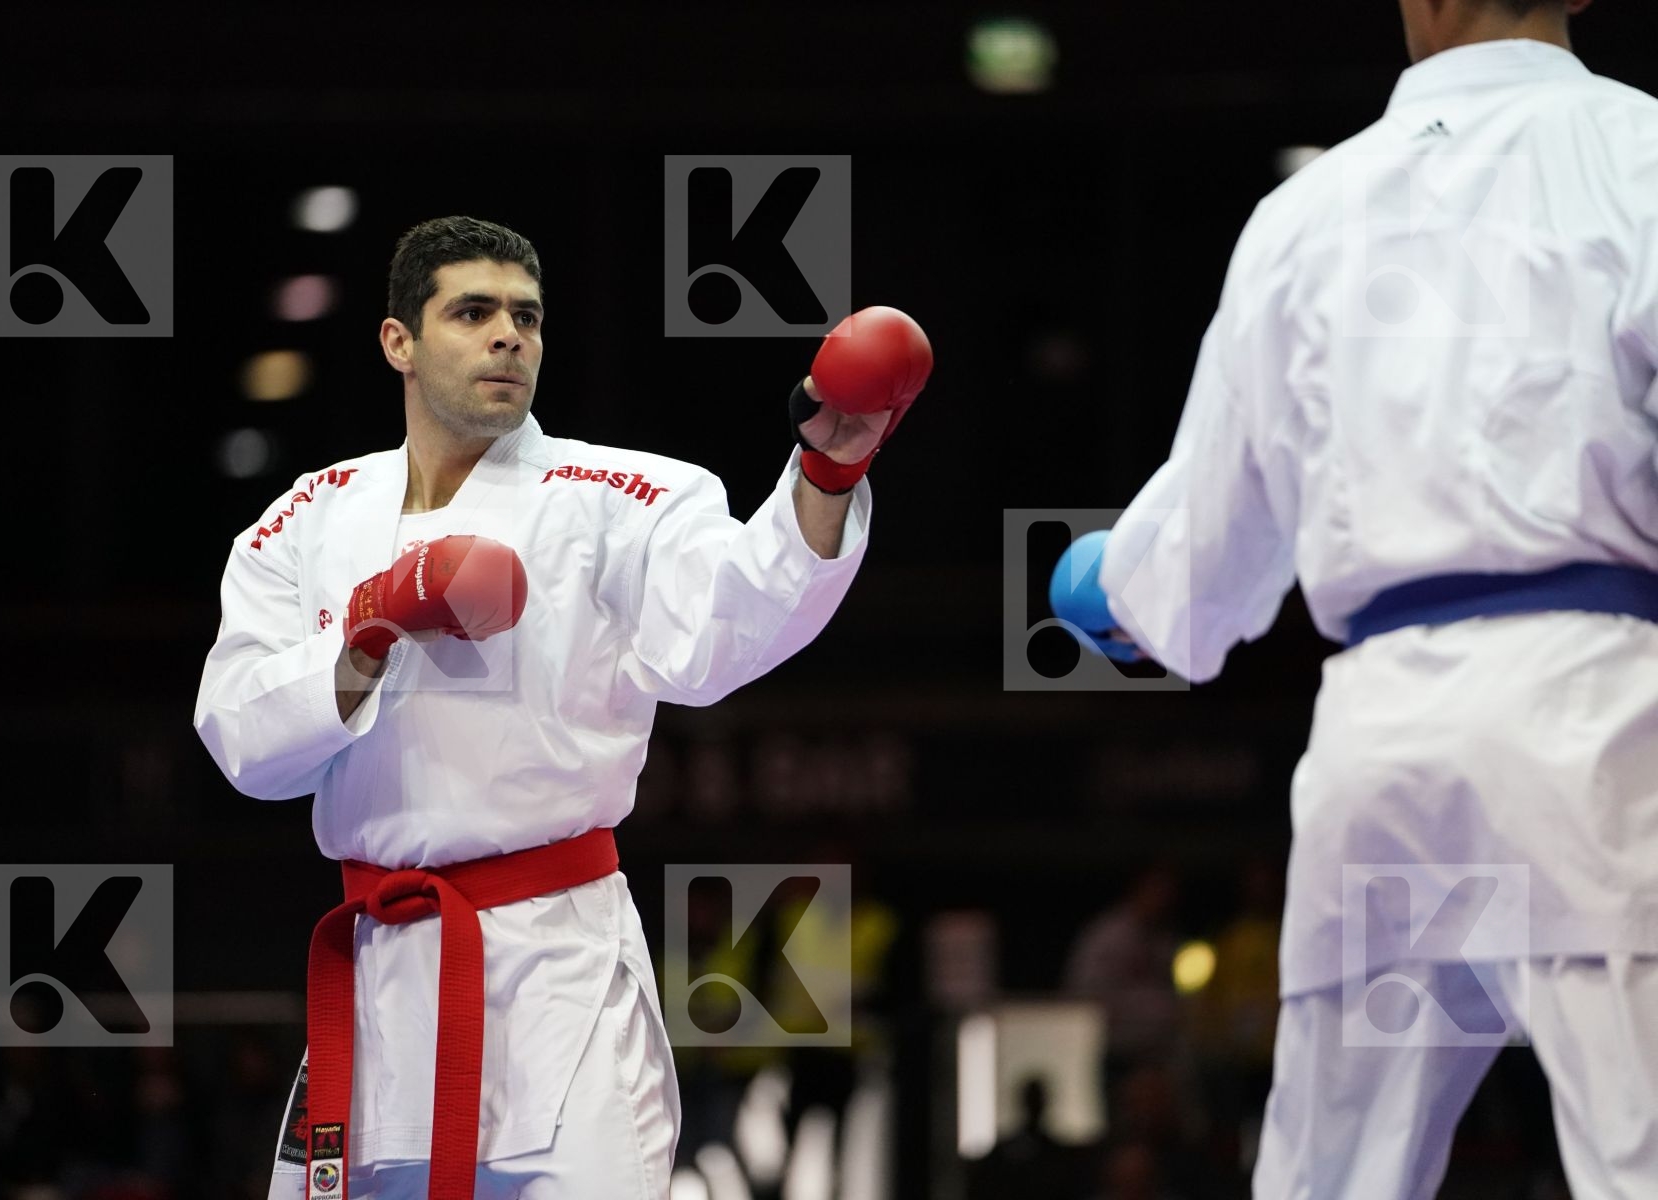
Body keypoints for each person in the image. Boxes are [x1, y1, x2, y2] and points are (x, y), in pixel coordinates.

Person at [1049, 2, 1658, 1196]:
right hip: (1584, 729)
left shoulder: (1308, 212)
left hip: (1384, 753)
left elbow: (1203, 555)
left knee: (1333, 1174)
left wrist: (1112, 585)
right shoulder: (1640, 154)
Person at [193, 215, 931, 1199]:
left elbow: (728, 626)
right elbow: (242, 741)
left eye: (527, 317)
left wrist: (828, 474)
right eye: (473, 313)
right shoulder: (305, 519)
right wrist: (368, 630)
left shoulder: (623, 497)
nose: (509, 335)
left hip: (557, 977)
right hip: (377, 979)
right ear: (398, 341)